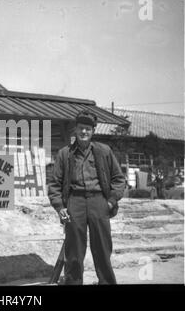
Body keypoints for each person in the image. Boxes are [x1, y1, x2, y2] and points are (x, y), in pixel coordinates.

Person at [48, 111, 126, 285]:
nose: (84, 132)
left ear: (93, 131)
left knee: (103, 248)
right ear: (75, 130)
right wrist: (60, 207)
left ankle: (106, 282)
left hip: (99, 202)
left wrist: (111, 201)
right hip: (74, 201)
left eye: (88, 129)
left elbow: (119, 179)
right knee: (74, 249)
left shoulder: (104, 151)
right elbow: (54, 184)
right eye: (81, 128)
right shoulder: (64, 153)